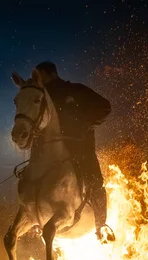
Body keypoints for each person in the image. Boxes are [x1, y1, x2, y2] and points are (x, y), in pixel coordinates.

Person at [35, 61, 113, 242]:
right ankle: (35, 220)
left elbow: (105, 107)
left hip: (80, 147)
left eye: (40, 76)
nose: (38, 80)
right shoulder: (41, 97)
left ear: (49, 74)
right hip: (51, 150)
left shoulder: (76, 91)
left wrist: (84, 123)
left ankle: (101, 226)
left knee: (95, 182)